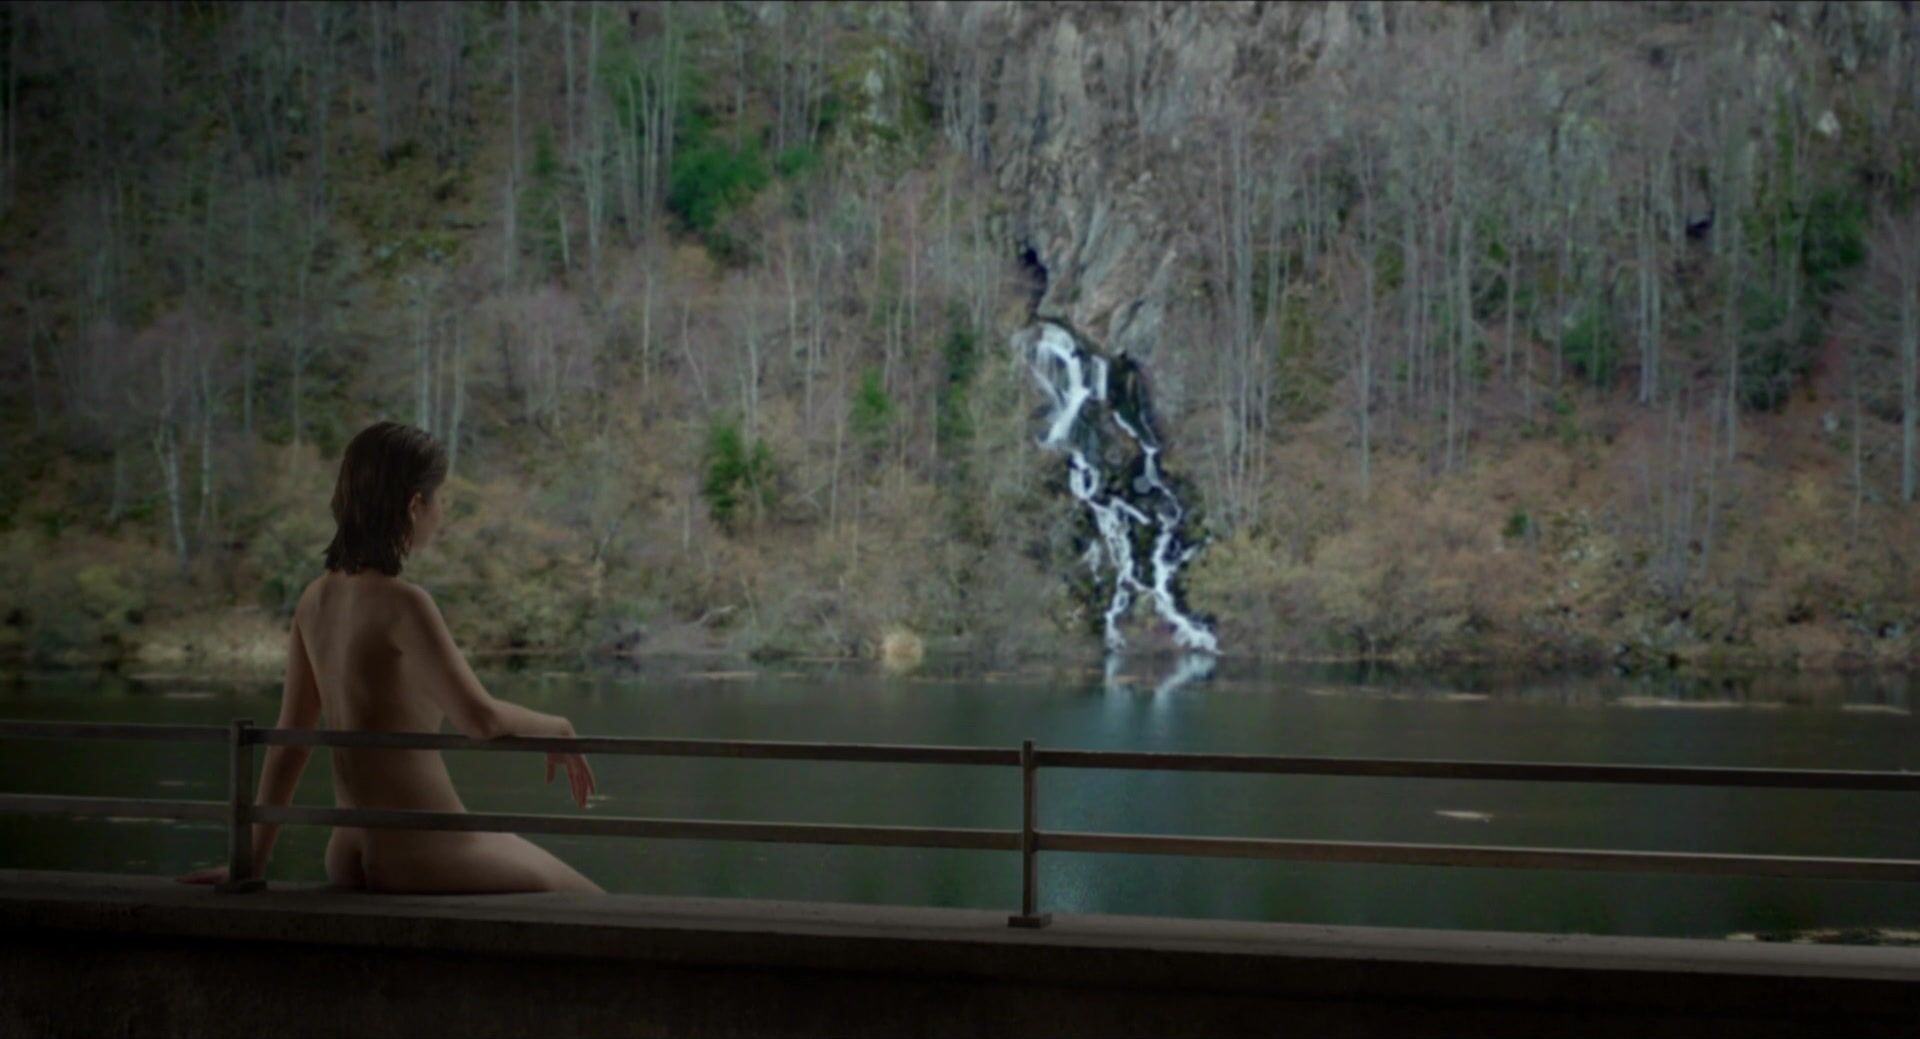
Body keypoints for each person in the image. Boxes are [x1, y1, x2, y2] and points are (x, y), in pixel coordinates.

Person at [177, 421, 602, 894]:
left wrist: (250, 862)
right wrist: (556, 727)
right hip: (424, 850)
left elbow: (290, 742)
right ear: (415, 505)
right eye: (441, 498)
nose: (442, 512)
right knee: (593, 903)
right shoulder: (404, 604)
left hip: (348, 851)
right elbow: (479, 718)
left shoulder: (314, 600)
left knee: (509, 847)